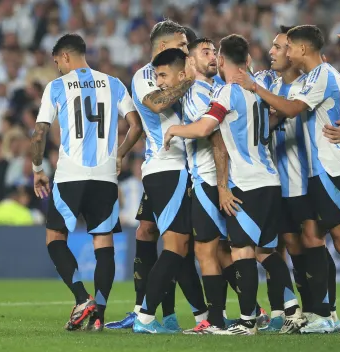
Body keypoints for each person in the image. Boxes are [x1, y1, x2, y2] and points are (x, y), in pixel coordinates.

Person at [232, 25, 340, 335]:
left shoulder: (314, 78)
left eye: (282, 47)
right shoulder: (276, 79)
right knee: (303, 244)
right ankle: (317, 312)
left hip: (319, 172)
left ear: (298, 50)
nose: (277, 52)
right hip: (293, 176)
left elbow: (329, 102)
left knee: (333, 241)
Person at [164, 34, 306, 336]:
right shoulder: (258, 91)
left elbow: (205, 127)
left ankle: (246, 321)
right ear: (248, 61)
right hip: (271, 180)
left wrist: (174, 129)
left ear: (223, 60)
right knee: (266, 252)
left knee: (242, 251)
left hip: (247, 183)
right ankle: (294, 310)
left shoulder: (227, 92)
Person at [31, 34, 142, 332]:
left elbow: (39, 133)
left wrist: (37, 169)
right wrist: (119, 155)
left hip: (70, 175)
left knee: (54, 238)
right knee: (103, 243)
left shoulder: (57, 87)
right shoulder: (113, 83)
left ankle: (82, 298)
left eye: (57, 62)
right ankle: (100, 316)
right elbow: (136, 125)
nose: (57, 68)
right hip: (105, 177)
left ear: (65, 57)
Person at [130, 21, 208, 334]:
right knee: (176, 245)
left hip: (181, 168)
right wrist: (188, 80)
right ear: (164, 46)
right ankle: (145, 317)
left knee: (183, 246)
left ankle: (203, 315)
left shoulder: (179, 72)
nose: (187, 50)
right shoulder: (146, 76)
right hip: (166, 167)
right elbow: (158, 103)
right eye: (182, 45)